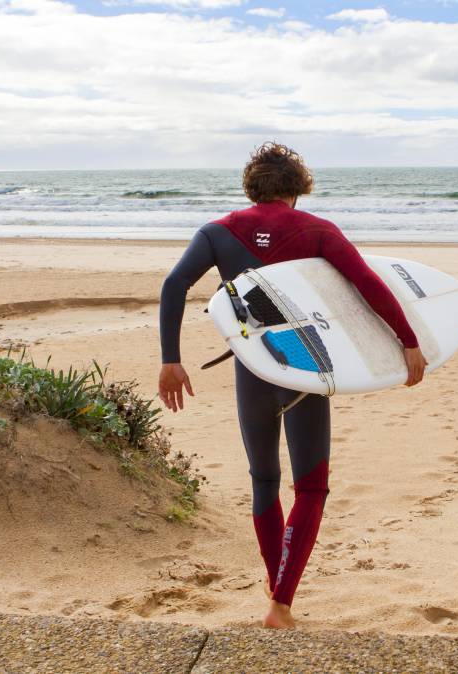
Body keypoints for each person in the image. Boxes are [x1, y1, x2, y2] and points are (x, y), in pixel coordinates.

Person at [158, 142, 427, 629]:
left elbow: (174, 284)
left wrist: (170, 361)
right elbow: (367, 285)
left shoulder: (217, 232)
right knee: (312, 486)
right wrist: (406, 341)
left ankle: (274, 581)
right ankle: (280, 603)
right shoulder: (317, 231)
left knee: (264, 480)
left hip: (253, 368)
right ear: (298, 189)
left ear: (252, 186)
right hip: (305, 368)